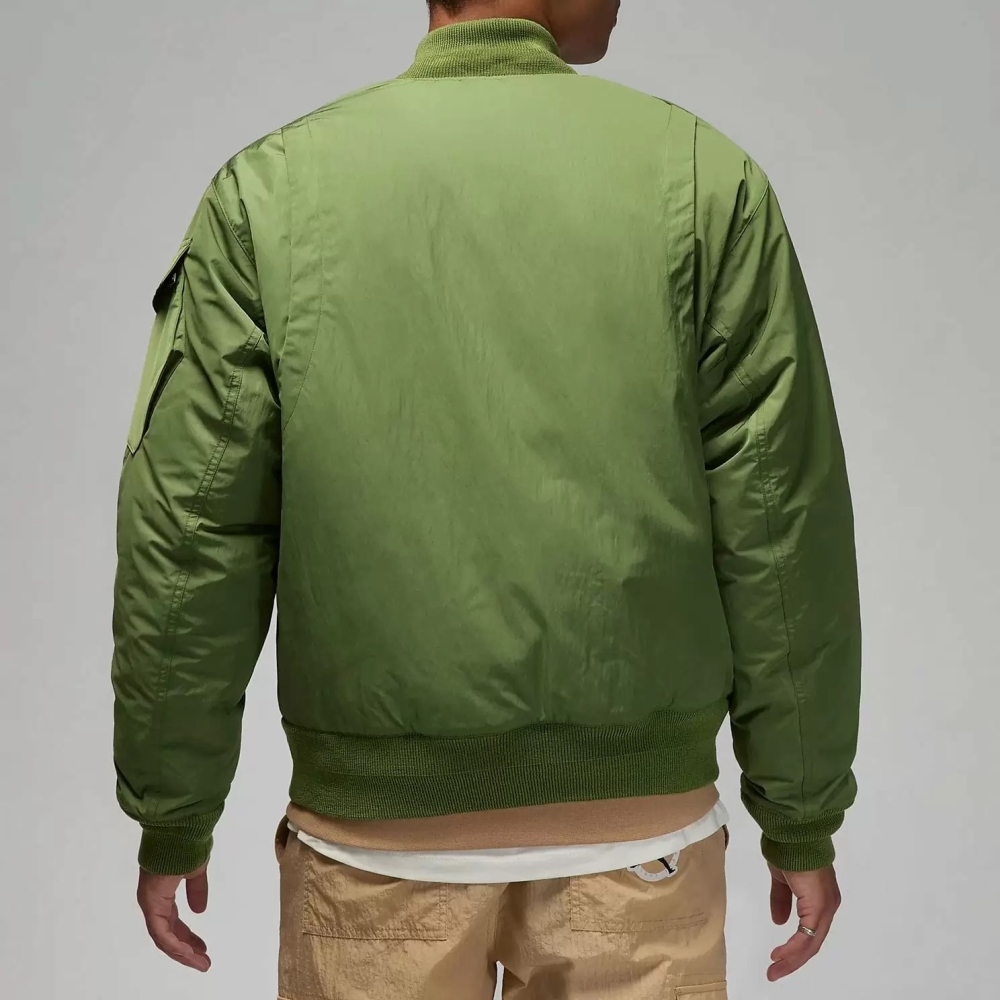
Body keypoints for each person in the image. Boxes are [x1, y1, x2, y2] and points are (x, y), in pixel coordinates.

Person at [111, 1, 862, 997]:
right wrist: (800, 810)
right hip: (639, 846)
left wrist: (174, 805)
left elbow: (192, 534)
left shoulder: (270, 193)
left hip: (375, 854)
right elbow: (780, 525)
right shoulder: (704, 180)